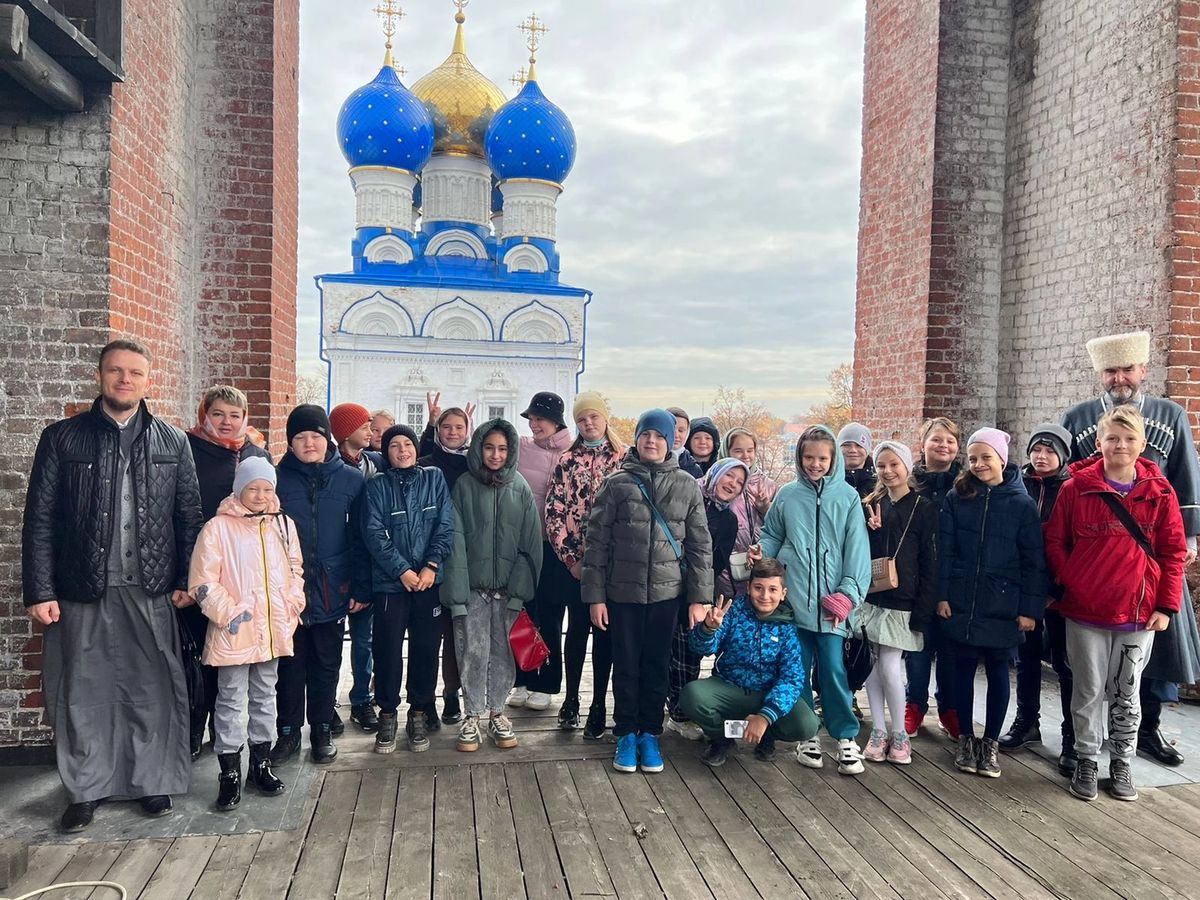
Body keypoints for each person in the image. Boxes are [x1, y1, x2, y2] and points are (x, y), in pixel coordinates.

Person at [23, 338, 203, 833]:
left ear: (148, 381)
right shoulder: (62, 438)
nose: (125, 380)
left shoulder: (173, 442)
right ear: (100, 376)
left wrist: (186, 579)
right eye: (116, 371)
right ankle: (86, 789)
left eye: (135, 373)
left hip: (151, 586)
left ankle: (151, 781)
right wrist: (40, 590)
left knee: (153, 689)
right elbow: (40, 520)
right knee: (83, 691)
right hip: (82, 585)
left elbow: (189, 517)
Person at [1061, 330, 1200, 767]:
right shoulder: (1078, 417)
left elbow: (1185, 475)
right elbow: (1065, 481)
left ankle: (1147, 730)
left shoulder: (1170, 415)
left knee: (1155, 646)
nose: (1119, 377)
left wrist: (1189, 537)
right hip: (1094, 558)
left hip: (1152, 555)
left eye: (1126, 369)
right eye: (1110, 371)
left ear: (1143, 370)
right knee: (1084, 662)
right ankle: (1078, 741)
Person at [1045, 406, 1187, 802]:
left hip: (1138, 614)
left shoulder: (1160, 493)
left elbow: (1173, 552)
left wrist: (1166, 606)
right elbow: (1055, 541)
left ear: (1142, 444)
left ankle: (1122, 761)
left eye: (1128, 439)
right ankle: (1087, 759)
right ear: (1099, 443)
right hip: (1085, 612)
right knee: (1088, 689)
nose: (1120, 445)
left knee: (1126, 691)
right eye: (1112, 438)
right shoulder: (1075, 489)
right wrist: (1070, 578)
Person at [584, 409, 713, 774]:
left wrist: (699, 598)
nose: (651, 441)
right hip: (621, 595)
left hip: (667, 596)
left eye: (659, 435)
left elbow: (700, 546)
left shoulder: (687, 484)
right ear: (637, 438)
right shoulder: (616, 483)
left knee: (657, 665)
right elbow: (596, 544)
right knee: (625, 665)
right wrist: (595, 597)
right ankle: (626, 732)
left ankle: (650, 733)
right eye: (645, 435)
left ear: (671, 441)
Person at [754, 425, 871, 775]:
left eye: (822, 458)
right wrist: (761, 556)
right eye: (808, 457)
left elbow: (857, 550)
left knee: (834, 670)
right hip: (794, 603)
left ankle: (845, 735)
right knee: (797, 670)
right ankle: (808, 734)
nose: (815, 464)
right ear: (799, 457)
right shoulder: (788, 496)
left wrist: (848, 593)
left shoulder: (847, 498)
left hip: (832, 607)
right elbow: (773, 535)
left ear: (833, 459)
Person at [188, 457, 305, 811]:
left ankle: (260, 763)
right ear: (239, 489)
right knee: (230, 699)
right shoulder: (217, 528)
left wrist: (293, 603)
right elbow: (203, 581)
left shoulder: (282, 525)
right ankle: (229, 771)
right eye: (253, 488)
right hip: (235, 630)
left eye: (267, 489)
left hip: (273, 628)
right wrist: (230, 615)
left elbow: (295, 568)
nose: (260, 495)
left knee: (265, 695)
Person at [938, 428, 1046, 780]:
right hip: (963, 599)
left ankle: (990, 742)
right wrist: (942, 595)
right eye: (973, 459)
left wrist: (1029, 610)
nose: (979, 464)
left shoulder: (1021, 504)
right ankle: (966, 738)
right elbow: (945, 551)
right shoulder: (958, 497)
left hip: (1003, 601)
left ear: (1001, 458)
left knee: (999, 671)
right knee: (963, 670)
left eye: (986, 457)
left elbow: (1033, 561)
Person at [270, 405, 369, 766]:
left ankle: (322, 729)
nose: (309, 443)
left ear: (327, 439)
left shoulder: (351, 480)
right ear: (290, 442)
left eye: (315, 436)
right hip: (289, 591)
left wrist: (360, 585)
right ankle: (288, 731)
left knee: (327, 663)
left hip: (333, 585)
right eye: (300, 437)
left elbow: (361, 537)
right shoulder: (277, 480)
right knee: (289, 665)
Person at [443, 419, 543, 751]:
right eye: (489, 447)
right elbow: (454, 542)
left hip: (508, 591)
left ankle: (497, 711)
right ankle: (472, 714)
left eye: (502, 448)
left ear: (510, 451)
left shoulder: (520, 488)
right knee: (472, 651)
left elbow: (530, 545)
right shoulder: (464, 486)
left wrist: (519, 592)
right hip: (473, 590)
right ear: (478, 449)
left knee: (502, 653)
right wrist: (457, 594)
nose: (496, 455)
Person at [183, 384, 272, 759]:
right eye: (218, 414)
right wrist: (182, 578)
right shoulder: (188, 449)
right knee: (198, 660)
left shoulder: (256, 453)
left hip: (242, 577)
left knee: (234, 665)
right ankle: (193, 729)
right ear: (205, 414)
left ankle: (229, 739)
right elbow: (179, 514)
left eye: (235, 416)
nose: (226, 422)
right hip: (201, 571)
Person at [361, 424, 455, 754]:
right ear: (385, 452)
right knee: (387, 649)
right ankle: (387, 713)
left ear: (416, 448)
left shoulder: (434, 478)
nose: (403, 450)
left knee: (426, 649)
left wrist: (431, 565)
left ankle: (419, 711)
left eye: (408, 444)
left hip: (429, 581)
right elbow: (373, 533)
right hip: (391, 583)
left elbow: (445, 524)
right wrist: (401, 570)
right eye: (394, 445)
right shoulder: (376, 486)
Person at [680, 558, 819, 767]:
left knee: (807, 725)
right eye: (758, 588)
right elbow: (701, 648)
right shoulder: (733, 611)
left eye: (773, 589)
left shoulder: (788, 627)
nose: (765, 596)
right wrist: (708, 629)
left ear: (783, 593)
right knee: (692, 695)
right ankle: (721, 739)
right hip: (729, 687)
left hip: (767, 694)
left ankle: (766, 734)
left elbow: (792, 679)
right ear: (748, 588)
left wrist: (765, 716)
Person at [543, 392, 624, 734]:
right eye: (582, 419)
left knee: (605, 634)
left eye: (594, 416)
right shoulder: (567, 460)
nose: (589, 423)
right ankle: (571, 699)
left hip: (614, 566)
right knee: (576, 630)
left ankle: (599, 705)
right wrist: (571, 558)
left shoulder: (624, 458)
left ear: (605, 418)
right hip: (577, 564)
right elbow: (554, 511)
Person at [1000, 424, 1076, 776]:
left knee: (1065, 665)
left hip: (1060, 591)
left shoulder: (1072, 489)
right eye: (1036, 450)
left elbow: (1073, 543)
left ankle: (1071, 737)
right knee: (1026, 659)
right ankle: (1027, 720)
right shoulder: (1018, 484)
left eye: (1049, 451)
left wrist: (1055, 588)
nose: (1041, 456)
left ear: (1062, 456)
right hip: (1025, 589)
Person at [860, 440, 937, 766]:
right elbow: (865, 554)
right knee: (872, 665)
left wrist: (924, 609)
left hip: (904, 601)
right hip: (874, 598)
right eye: (881, 465)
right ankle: (879, 730)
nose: (888, 471)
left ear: (907, 466)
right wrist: (873, 532)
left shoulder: (924, 507)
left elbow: (930, 561)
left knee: (890, 665)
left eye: (894, 464)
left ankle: (899, 733)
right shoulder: (872, 504)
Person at [667, 458, 747, 741]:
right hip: (663, 584)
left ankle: (680, 713)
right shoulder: (687, 496)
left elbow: (716, 562)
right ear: (715, 474)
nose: (732, 484)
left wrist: (699, 594)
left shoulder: (729, 520)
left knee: (688, 654)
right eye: (729, 476)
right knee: (659, 651)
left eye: (739, 482)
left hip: (696, 591)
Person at [510, 391, 574, 711]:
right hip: (524, 544)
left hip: (556, 549)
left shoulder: (572, 453)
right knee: (522, 613)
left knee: (550, 615)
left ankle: (546, 683)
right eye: (531, 419)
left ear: (556, 421)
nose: (534, 424)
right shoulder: (522, 448)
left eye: (540, 419)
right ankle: (522, 678)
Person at [905, 416, 964, 739]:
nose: (943, 446)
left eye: (950, 441)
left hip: (955, 578)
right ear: (923, 444)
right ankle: (914, 704)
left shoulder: (967, 484)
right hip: (917, 579)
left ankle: (948, 707)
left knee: (950, 650)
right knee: (918, 647)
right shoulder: (910, 482)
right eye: (937, 439)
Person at [417, 405, 473, 726]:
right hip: (429, 558)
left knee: (456, 634)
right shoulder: (426, 464)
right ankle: (424, 701)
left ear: (467, 431)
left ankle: (452, 693)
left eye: (459, 427)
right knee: (428, 637)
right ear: (438, 431)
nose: (453, 432)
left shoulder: (472, 466)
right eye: (446, 427)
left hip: (462, 558)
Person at [329, 402, 383, 735]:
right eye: (364, 426)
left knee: (365, 641)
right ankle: (327, 704)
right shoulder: (328, 468)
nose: (370, 431)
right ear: (346, 431)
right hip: (335, 570)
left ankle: (362, 699)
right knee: (331, 645)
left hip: (368, 569)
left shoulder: (374, 464)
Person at [720, 427, 780, 599]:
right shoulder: (719, 482)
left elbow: (779, 527)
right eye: (738, 450)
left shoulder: (768, 485)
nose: (745, 456)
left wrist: (765, 509)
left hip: (760, 562)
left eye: (750, 450)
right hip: (725, 566)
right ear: (727, 452)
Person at [838, 422, 876, 498]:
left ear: (867, 449)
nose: (853, 450)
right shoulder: (828, 479)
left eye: (859, 445)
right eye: (847, 445)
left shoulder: (879, 482)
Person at [668, 407, 702, 477]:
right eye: (671, 429)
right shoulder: (649, 461)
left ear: (687, 433)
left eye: (681, 430)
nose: (676, 435)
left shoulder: (694, 469)